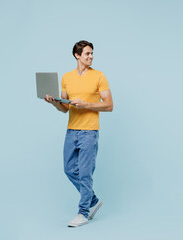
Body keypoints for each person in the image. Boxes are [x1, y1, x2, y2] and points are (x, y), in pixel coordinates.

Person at [44, 40, 113, 227]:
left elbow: (109, 105)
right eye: (87, 54)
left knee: (85, 174)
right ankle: (92, 200)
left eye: (92, 54)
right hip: (71, 130)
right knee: (69, 169)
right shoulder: (67, 77)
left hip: (89, 132)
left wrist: (87, 104)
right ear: (77, 55)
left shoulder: (99, 76)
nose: (90, 57)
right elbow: (64, 108)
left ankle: (83, 212)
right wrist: (53, 102)